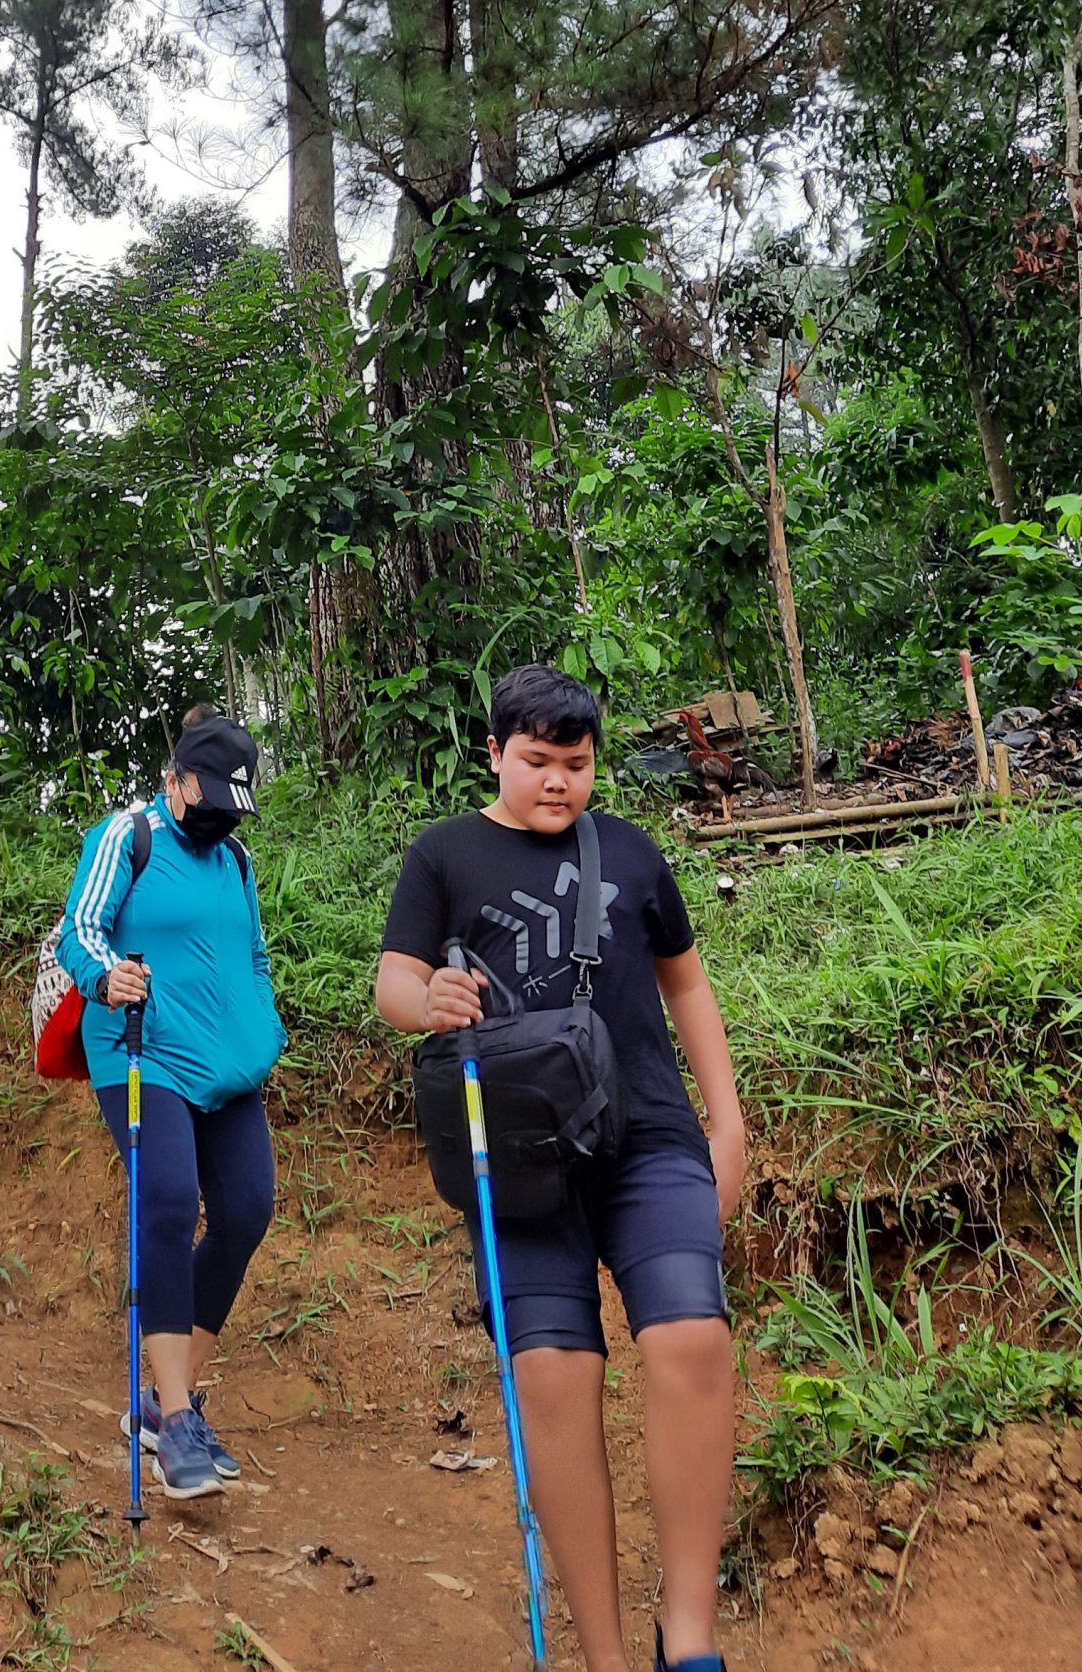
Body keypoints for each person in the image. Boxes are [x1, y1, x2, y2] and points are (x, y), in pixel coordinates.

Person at [375, 664, 744, 1672]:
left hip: (651, 1140)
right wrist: (428, 998)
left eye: (574, 765)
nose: (556, 783)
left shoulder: (628, 849)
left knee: (690, 1343)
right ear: (494, 752)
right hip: (521, 1159)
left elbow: (687, 981)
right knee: (552, 1372)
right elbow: (394, 977)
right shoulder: (444, 852)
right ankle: (604, 1657)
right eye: (535, 762)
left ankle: (692, 1638)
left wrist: (730, 1118)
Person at [55, 709, 284, 1500]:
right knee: (166, 1198)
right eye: (210, 794)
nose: (221, 813)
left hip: (226, 1066)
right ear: (176, 779)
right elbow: (77, 932)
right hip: (140, 1052)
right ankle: (178, 1420)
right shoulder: (128, 837)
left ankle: (162, 1402)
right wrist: (105, 976)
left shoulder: (237, 859)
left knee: (248, 1210)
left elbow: (253, 955)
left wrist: (262, 1026)